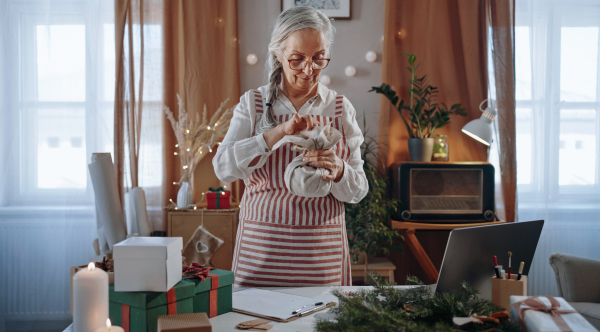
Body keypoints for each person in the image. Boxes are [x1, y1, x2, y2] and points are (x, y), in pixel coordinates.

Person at [213, 6, 368, 287]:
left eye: (319, 58)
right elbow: (223, 169)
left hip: (321, 256)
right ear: (278, 54)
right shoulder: (253, 104)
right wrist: (277, 133)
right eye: (297, 59)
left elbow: (358, 191)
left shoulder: (340, 108)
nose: (309, 70)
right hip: (261, 255)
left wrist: (339, 170)